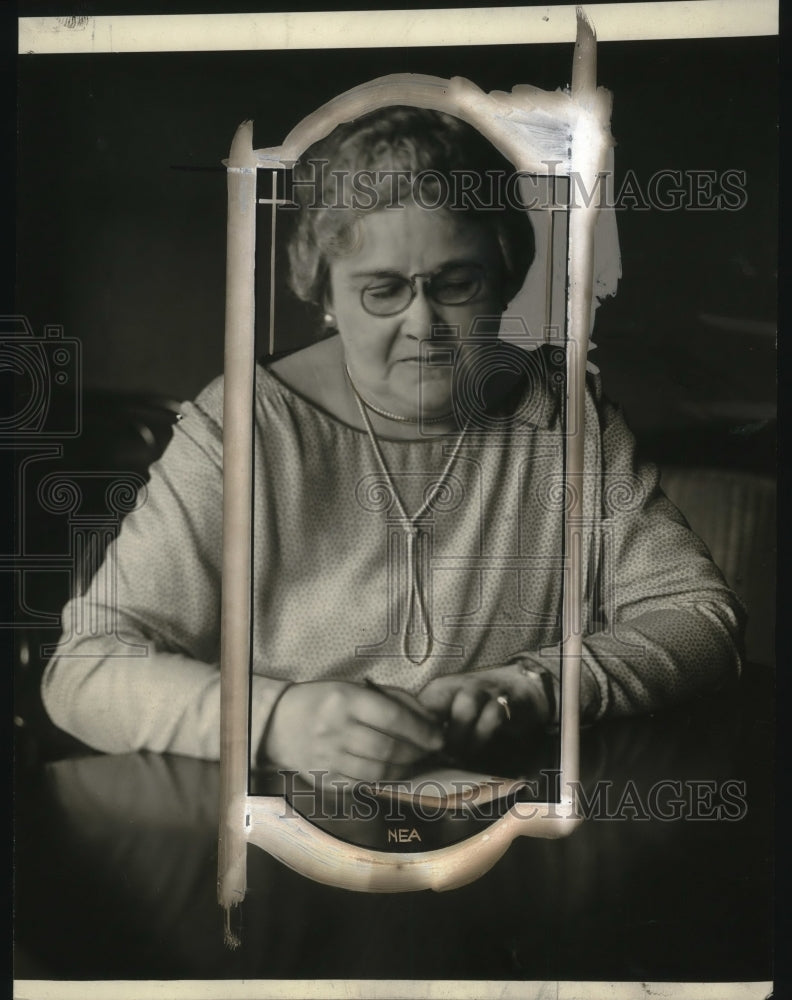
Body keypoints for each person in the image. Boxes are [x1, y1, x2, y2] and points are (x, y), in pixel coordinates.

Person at [41, 106, 744, 785]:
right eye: (382, 291)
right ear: (326, 297)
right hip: (287, 829)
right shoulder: (245, 426)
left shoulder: (564, 417)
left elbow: (700, 617)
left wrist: (534, 685)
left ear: (505, 277)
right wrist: (276, 719)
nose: (423, 324)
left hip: (507, 824)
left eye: (456, 284)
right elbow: (84, 668)